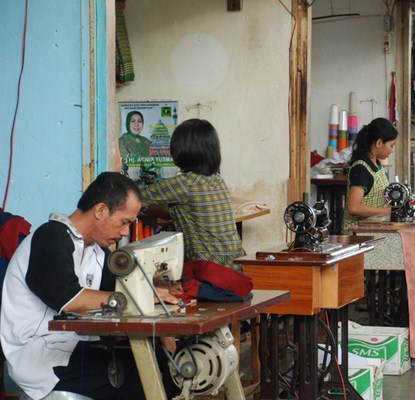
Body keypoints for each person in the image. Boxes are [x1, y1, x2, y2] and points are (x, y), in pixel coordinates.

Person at [0, 172, 179, 400]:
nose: (125, 232)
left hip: (73, 345)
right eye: (124, 222)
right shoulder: (50, 238)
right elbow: (71, 299)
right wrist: (136, 297)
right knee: (140, 376)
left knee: (159, 362)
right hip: (40, 354)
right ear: (100, 210)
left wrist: (156, 294)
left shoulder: (96, 251)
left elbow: (121, 288)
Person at [140, 118, 246, 270]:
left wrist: (142, 207)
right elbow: (177, 211)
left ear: (181, 151)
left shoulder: (186, 183)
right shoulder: (218, 180)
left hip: (210, 270)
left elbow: (134, 198)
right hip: (236, 267)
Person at [342, 118, 398, 234]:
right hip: (356, 235)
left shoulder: (376, 164)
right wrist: (385, 211)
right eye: (391, 146)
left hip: (369, 230)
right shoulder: (361, 168)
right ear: (379, 143)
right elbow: (354, 207)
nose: (392, 150)